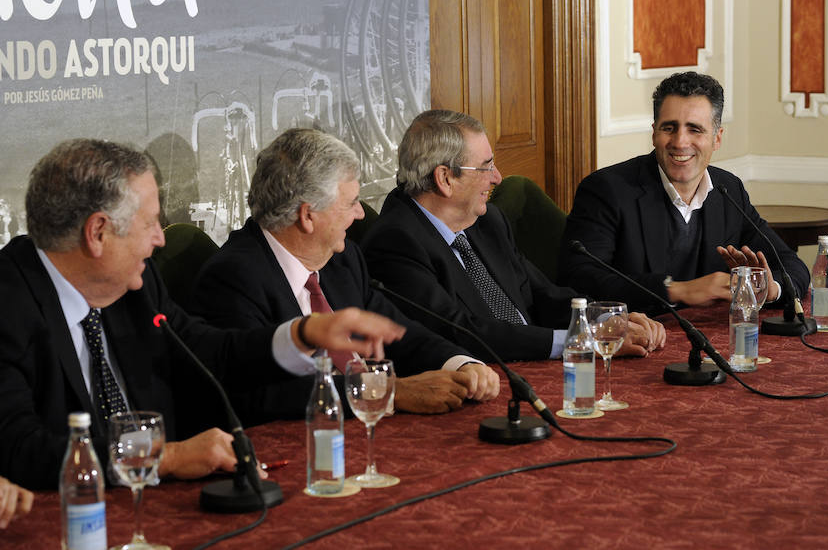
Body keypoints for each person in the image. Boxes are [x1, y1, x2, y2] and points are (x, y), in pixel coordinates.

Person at [0, 139, 404, 489]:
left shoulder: (135, 287)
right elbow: (22, 450)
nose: (161, 239)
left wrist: (304, 333)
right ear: (98, 232)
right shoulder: (9, 305)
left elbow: (210, 352)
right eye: (150, 223)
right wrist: (167, 457)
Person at [188, 128, 499, 420]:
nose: (360, 214)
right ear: (308, 215)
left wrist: (461, 363)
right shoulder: (233, 279)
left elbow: (398, 332)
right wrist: (389, 392)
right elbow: (260, 394)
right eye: (351, 203)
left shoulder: (343, 260)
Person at [362, 110, 665, 363]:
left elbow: (541, 294)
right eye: (486, 166)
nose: (497, 177)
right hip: (487, 380)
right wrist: (580, 341)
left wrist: (603, 319)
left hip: (536, 368)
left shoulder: (487, 220)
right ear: (445, 178)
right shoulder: (396, 242)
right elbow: (461, 331)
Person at [558, 71, 811, 314]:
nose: (680, 142)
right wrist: (676, 291)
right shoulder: (607, 190)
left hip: (712, 341)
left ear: (717, 138)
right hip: (637, 340)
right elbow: (579, 278)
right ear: (654, 133)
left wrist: (768, 289)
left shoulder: (729, 191)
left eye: (695, 129)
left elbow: (793, 266)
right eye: (669, 128)